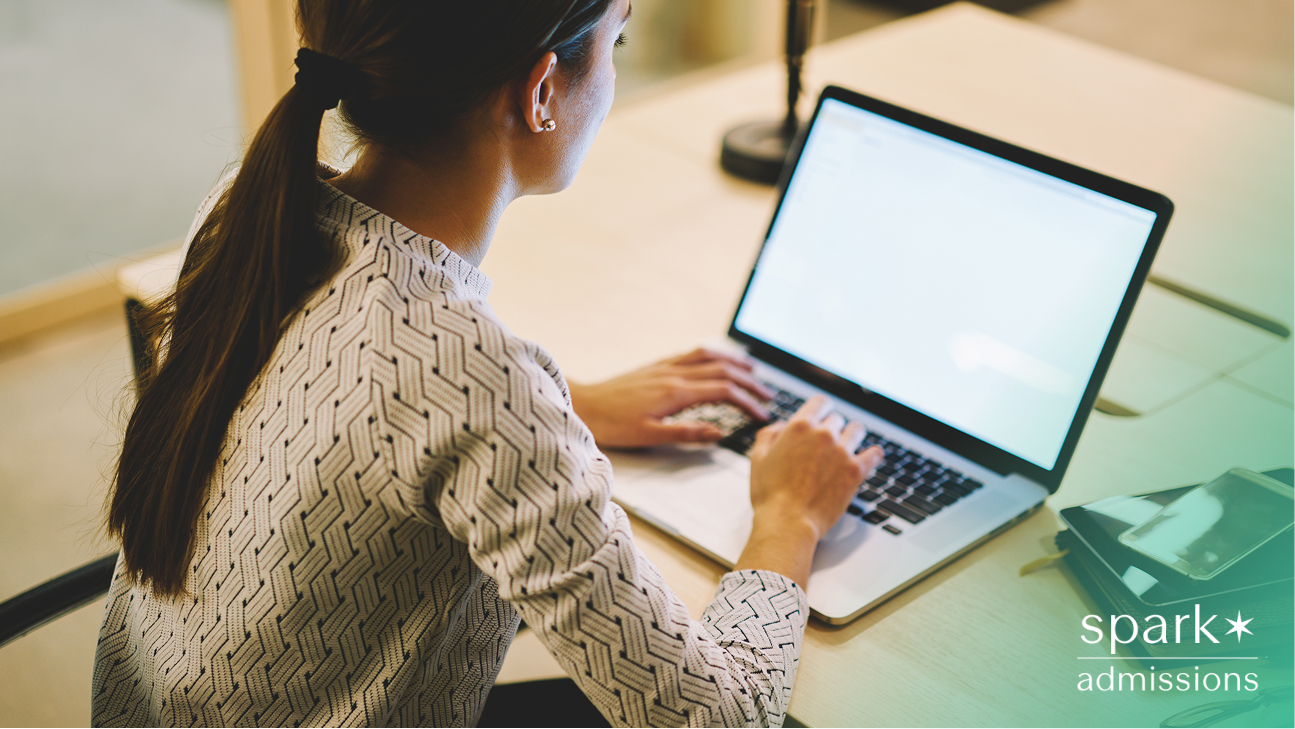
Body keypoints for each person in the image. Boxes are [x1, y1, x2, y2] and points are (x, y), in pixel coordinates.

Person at [92, 1, 883, 726]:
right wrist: (791, 517)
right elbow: (724, 719)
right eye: (618, 40)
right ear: (541, 92)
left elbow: (373, 396)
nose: (614, 70)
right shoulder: (472, 382)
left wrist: (565, 408)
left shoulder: (248, 209)